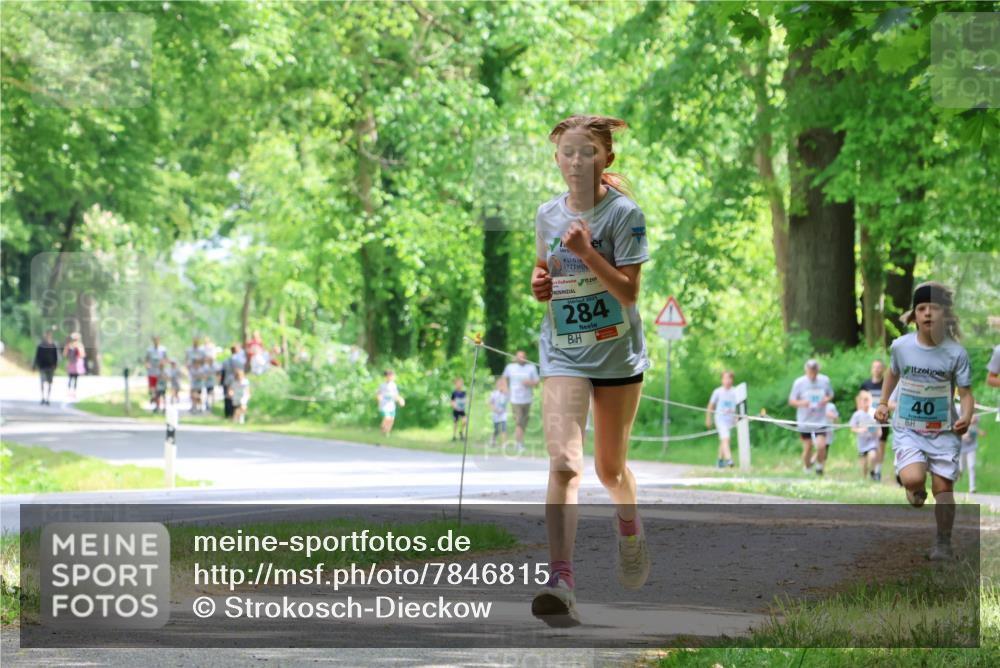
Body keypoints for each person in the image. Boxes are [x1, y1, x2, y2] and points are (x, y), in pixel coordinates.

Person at [528, 115, 651, 627]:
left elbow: (627, 292)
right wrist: (538, 284)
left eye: (588, 152)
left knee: (608, 471)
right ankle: (562, 581)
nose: (577, 161)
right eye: (568, 153)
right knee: (564, 464)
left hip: (616, 353)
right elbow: (544, 273)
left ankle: (628, 523)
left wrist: (585, 252)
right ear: (557, 161)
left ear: (606, 159)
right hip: (564, 351)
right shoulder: (546, 214)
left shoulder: (625, 215)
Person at [874, 282, 973, 561]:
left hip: (943, 431)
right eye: (921, 308)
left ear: (946, 314)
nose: (928, 313)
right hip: (909, 429)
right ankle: (913, 487)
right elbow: (892, 374)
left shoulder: (956, 353)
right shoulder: (901, 347)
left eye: (934, 308)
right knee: (914, 479)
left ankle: (943, 543)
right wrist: (883, 403)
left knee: (943, 489)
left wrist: (966, 415)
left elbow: (966, 395)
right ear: (914, 315)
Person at [789, 359, 834, 476]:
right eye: (810, 370)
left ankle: (819, 467)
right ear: (806, 370)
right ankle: (807, 468)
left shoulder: (825, 380)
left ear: (818, 370)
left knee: (821, 445)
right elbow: (792, 401)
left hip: (820, 419)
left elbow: (830, 395)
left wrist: (825, 400)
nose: (812, 373)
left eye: (814, 370)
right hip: (805, 420)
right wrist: (803, 403)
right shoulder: (799, 382)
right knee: (807, 448)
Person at [502, 351, 540, 453]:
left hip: (527, 399)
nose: (521, 358)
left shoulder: (531, 368)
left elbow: (537, 382)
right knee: (519, 421)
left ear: (526, 357)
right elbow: (504, 378)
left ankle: (519, 441)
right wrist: (505, 389)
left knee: (523, 422)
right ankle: (518, 444)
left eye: (523, 356)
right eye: (519, 356)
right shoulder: (510, 367)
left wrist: (530, 383)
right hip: (515, 399)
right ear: (516, 357)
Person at [860, 359, 889, 481]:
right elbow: (860, 401)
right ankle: (867, 471)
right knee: (867, 446)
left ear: (882, 369)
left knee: (881, 445)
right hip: (869, 420)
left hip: (883, 420)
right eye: (875, 367)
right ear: (871, 369)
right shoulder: (866, 385)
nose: (877, 369)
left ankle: (877, 471)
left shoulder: (887, 385)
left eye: (879, 367)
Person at [706, 370, 738, 468]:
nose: (727, 381)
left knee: (724, 440)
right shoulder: (717, 391)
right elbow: (710, 405)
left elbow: (738, 406)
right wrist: (708, 418)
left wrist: (737, 418)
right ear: (722, 380)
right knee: (725, 438)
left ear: (732, 380)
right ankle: (729, 460)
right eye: (725, 378)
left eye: (729, 378)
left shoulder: (735, 391)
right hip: (720, 419)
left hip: (730, 419)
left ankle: (720, 460)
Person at [849, 390, 881, 480]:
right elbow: (852, 427)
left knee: (872, 456)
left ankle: (873, 471)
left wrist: (879, 432)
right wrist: (860, 430)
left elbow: (879, 426)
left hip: (872, 442)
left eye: (868, 400)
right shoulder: (857, 414)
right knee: (864, 464)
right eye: (864, 400)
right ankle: (864, 478)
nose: (866, 402)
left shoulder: (874, 413)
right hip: (862, 443)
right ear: (860, 401)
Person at [32, 330, 59, 406]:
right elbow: (37, 356)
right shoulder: (40, 345)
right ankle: (43, 397)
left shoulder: (53, 345)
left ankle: (48, 398)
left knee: (50, 383)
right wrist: (35, 365)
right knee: (42, 382)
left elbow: (55, 356)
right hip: (42, 366)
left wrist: (55, 364)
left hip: (50, 367)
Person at [959, 412, 983, 494]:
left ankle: (972, 488)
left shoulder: (977, 416)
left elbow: (974, 426)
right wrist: (962, 436)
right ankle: (959, 473)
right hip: (961, 447)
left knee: (971, 466)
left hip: (972, 447)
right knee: (961, 467)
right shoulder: (960, 415)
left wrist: (979, 431)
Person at [377, 369, 405, 437]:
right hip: (384, 405)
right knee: (387, 418)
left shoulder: (393, 385)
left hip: (391, 405)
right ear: (386, 377)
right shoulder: (382, 385)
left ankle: (386, 432)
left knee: (391, 419)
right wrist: (379, 398)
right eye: (389, 376)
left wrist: (400, 400)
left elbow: (396, 395)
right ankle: (382, 427)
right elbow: (378, 393)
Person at [145, 336, 168, 409]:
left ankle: (158, 406)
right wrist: (147, 365)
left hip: (160, 373)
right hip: (152, 372)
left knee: (159, 390)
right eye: (155, 340)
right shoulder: (149, 350)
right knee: (152, 390)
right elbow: (146, 360)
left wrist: (162, 364)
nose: (156, 341)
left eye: (157, 340)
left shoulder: (163, 349)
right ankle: (154, 399)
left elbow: (166, 359)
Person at [488, 376, 510, 448]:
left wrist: (505, 390)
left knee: (504, 428)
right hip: (496, 413)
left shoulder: (506, 394)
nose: (501, 386)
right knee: (496, 429)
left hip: (504, 414)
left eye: (503, 385)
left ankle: (504, 443)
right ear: (497, 385)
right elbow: (490, 403)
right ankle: (493, 439)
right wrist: (494, 409)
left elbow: (510, 398)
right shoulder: (494, 393)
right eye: (500, 385)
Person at [63, 332, 86, 400]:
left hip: (72, 363)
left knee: (71, 378)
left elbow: (65, 354)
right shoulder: (79, 345)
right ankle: (72, 392)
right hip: (76, 364)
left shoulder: (70, 345)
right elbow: (82, 355)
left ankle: (70, 392)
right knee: (74, 378)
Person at [450, 377, 468, 441]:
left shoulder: (463, 393)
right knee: (455, 423)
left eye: (461, 383)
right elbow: (451, 402)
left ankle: (461, 432)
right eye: (458, 383)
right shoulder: (454, 393)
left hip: (462, 410)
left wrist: (465, 402)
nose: (459, 385)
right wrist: (455, 406)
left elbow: (466, 400)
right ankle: (454, 436)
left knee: (465, 421)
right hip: (456, 410)